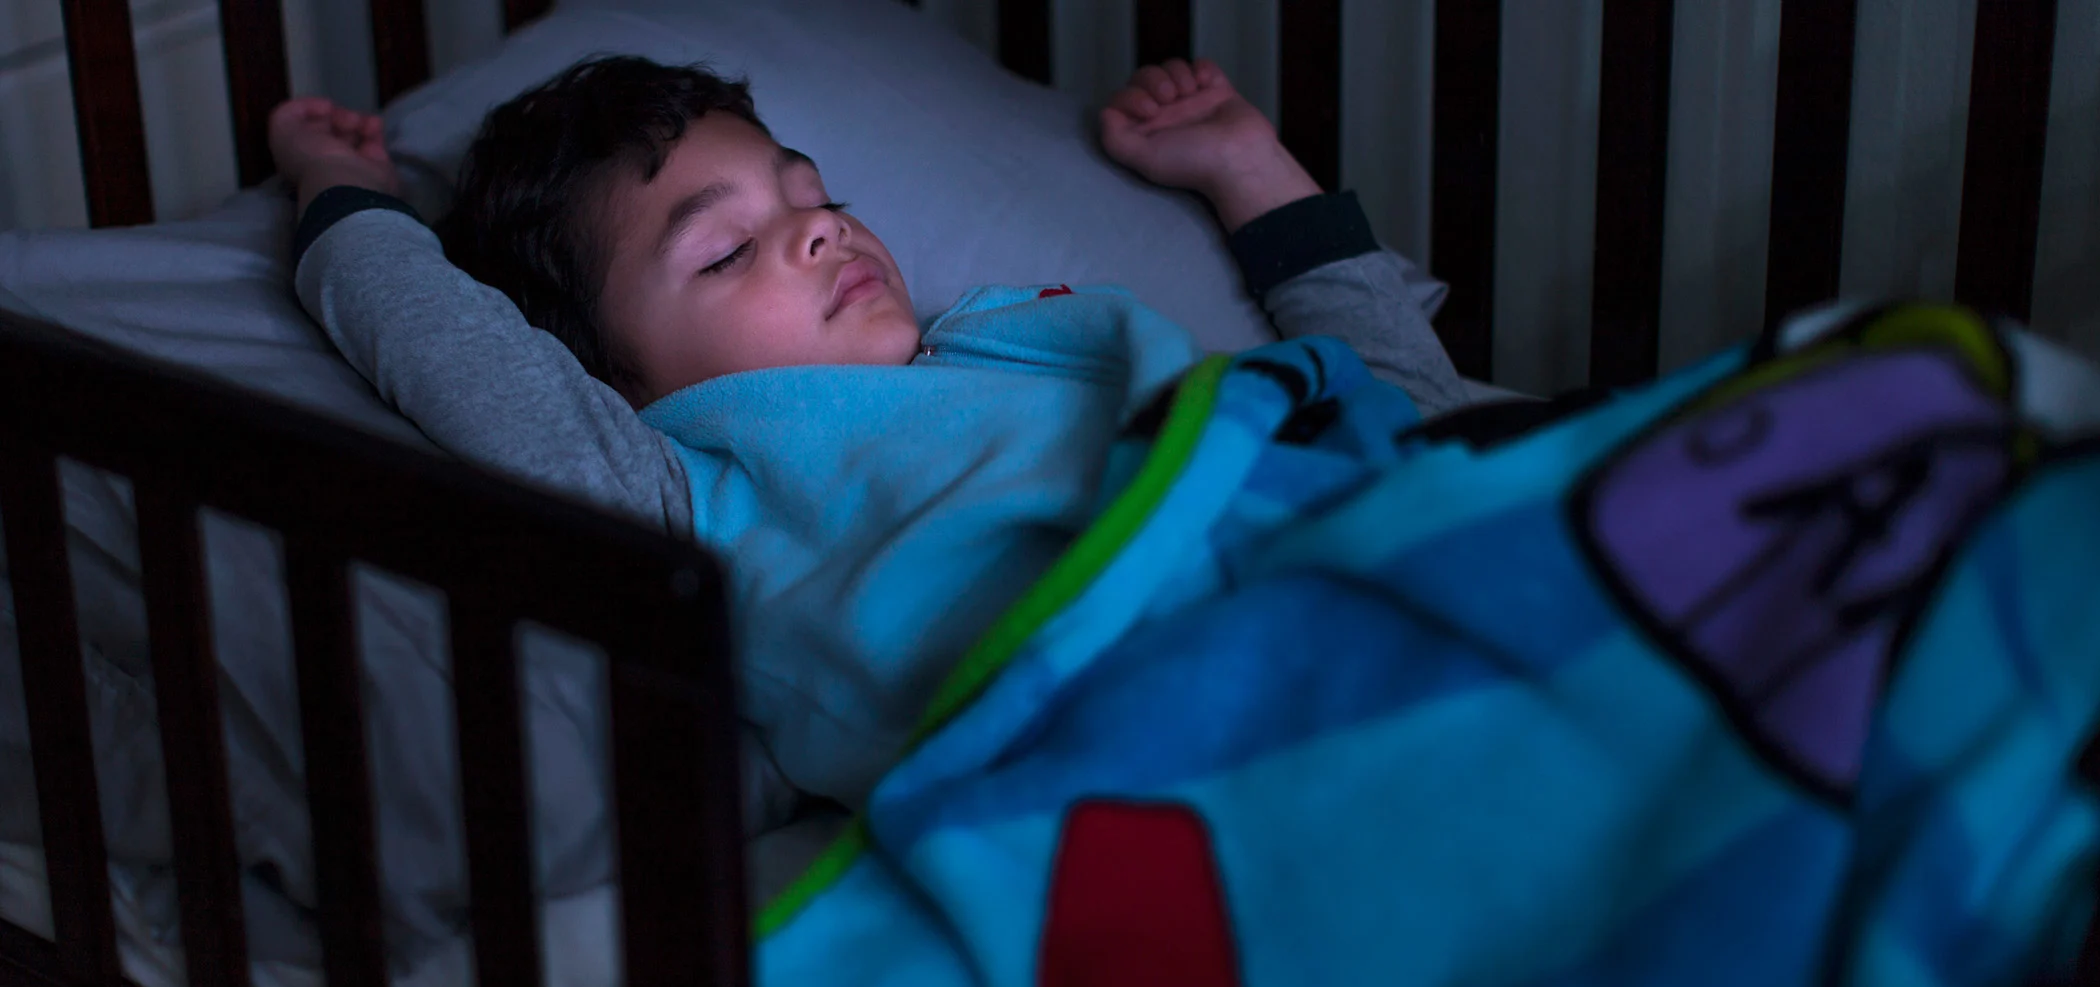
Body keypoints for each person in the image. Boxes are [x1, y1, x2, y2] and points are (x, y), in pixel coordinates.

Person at [269, 54, 1470, 817]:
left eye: (816, 194)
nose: (819, 233)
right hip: (1188, 707)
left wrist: (1247, 170)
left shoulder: (1006, 334)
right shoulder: (686, 484)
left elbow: (1398, 406)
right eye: (727, 249)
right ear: (604, 378)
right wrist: (339, 187)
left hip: (1365, 547)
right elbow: (432, 334)